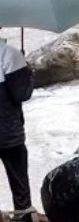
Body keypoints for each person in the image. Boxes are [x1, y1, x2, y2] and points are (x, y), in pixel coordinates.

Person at [0, 36, 33, 210]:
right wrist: (26, 72)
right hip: (8, 134)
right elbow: (21, 94)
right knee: (20, 189)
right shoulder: (9, 54)